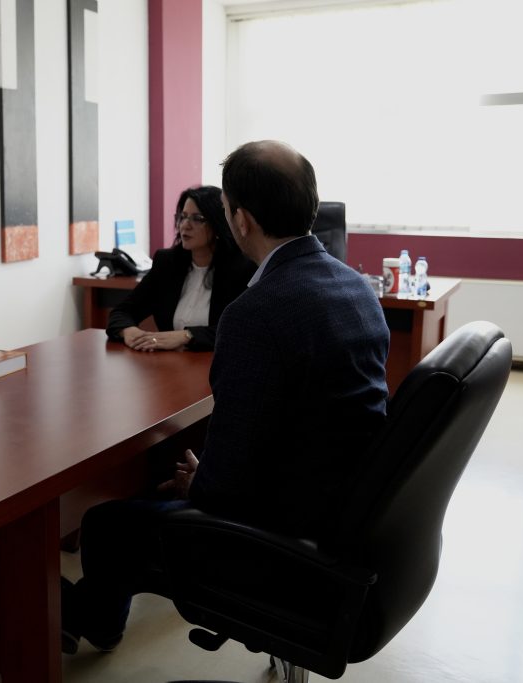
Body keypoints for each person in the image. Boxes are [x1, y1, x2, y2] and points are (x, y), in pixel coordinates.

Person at [62, 140, 390, 654]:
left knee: (105, 523)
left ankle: (88, 619)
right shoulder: (356, 288)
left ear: (239, 219)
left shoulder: (256, 311)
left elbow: (226, 482)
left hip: (278, 533)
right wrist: (213, 473)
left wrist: (201, 482)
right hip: (343, 512)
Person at [106, 185, 256, 352]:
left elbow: (241, 330)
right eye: (182, 217)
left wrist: (187, 336)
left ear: (218, 224)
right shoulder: (167, 263)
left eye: (197, 218)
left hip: (216, 363)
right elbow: (122, 312)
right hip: (171, 364)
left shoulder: (242, 269)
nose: (185, 225)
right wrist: (130, 332)